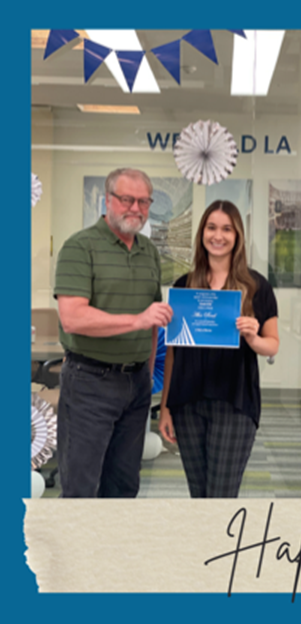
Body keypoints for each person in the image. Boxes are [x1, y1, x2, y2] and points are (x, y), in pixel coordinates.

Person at [54, 167, 173, 497]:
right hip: (90, 382)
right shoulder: (80, 247)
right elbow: (73, 318)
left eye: (144, 201)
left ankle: (111, 549)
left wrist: (147, 376)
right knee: (81, 486)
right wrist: (136, 320)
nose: (136, 208)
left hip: (136, 386)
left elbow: (152, 323)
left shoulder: (149, 252)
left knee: (123, 486)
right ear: (107, 201)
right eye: (127, 199)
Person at [159, 201, 279, 498]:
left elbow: (272, 344)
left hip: (235, 403)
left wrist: (252, 338)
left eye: (227, 229)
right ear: (202, 233)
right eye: (211, 227)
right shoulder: (184, 286)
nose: (218, 235)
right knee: (199, 496)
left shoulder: (257, 286)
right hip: (188, 404)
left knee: (221, 496)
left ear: (237, 235)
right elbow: (173, 353)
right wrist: (165, 407)